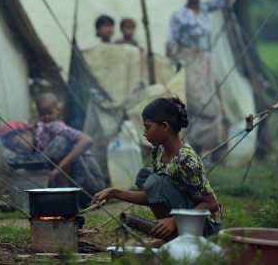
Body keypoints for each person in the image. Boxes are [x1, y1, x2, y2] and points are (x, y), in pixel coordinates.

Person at [93, 97, 221, 241]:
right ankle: (168, 234)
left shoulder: (186, 160)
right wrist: (114, 192)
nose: (144, 133)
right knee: (145, 177)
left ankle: (175, 234)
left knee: (153, 181)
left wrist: (174, 221)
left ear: (165, 127)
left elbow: (211, 204)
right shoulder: (158, 151)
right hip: (181, 216)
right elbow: (153, 195)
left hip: (204, 227)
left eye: (148, 127)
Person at [165, 0, 232, 154]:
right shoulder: (178, 15)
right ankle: (189, 147)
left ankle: (207, 148)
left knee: (212, 104)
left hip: (204, 61)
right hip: (188, 61)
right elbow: (170, 43)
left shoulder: (204, 8)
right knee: (195, 104)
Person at [0, 119, 106, 207]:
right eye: (13, 149)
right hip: (68, 191)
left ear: (26, 132)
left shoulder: (53, 128)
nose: (19, 151)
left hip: (91, 184)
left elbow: (87, 140)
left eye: (18, 144)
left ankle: (73, 200)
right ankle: (63, 201)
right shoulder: (29, 152)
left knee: (59, 143)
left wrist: (58, 169)